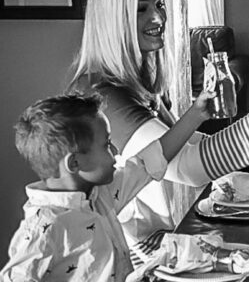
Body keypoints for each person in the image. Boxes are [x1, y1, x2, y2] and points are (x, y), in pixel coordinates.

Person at [68, 0, 249, 262]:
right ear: (112, 19)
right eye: (141, 9)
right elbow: (187, 168)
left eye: (160, 4)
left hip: (168, 237)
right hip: (139, 255)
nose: (157, 17)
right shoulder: (104, 97)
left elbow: (191, 143)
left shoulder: (134, 86)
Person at [1, 91, 215, 281]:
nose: (115, 151)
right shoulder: (43, 227)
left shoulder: (101, 194)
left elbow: (150, 160)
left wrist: (195, 115)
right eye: (106, 145)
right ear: (74, 163)